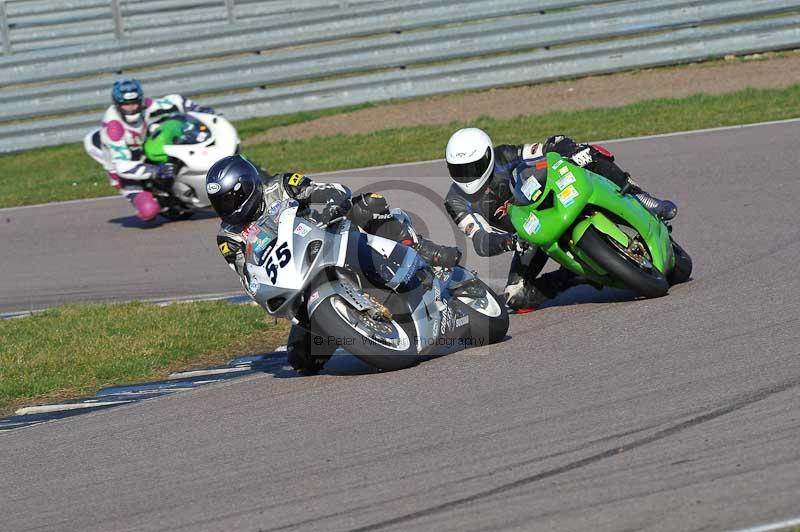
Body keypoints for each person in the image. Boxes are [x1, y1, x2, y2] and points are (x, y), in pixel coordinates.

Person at [206, 155, 461, 375]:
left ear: (248, 186)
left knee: (369, 204)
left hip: (327, 237)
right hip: (297, 277)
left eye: (231, 199)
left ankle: (421, 250)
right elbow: (247, 273)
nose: (227, 208)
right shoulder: (228, 237)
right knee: (300, 360)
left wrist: (331, 204)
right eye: (220, 203)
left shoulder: (280, 185)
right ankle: (361, 329)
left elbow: (328, 190)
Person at [443, 127, 678, 311]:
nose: (467, 176)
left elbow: (543, 148)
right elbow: (480, 240)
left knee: (586, 153)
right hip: (525, 235)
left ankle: (643, 198)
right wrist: (508, 242)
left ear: (488, 156)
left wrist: (561, 144)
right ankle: (576, 275)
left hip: (549, 199)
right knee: (516, 297)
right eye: (459, 169)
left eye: (473, 167)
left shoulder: (504, 155)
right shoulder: (455, 201)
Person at [88, 78, 215, 221]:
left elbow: (176, 101)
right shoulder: (114, 129)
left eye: (135, 102)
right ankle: (161, 201)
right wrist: (155, 171)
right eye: (126, 104)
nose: (132, 107)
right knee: (149, 212)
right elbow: (122, 166)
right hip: (124, 171)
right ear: (117, 104)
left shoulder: (146, 106)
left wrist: (198, 109)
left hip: (144, 148)